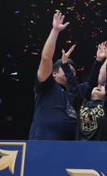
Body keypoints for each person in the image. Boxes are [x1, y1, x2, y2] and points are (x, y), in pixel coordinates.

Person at [30, 12, 81, 141]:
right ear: (54, 73)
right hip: (43, 143)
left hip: (71, 148)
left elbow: (98, 79)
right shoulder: (47, 86)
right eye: (66, 70)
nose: (71, 73)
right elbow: (46, 59)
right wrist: (55, 31)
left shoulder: (77, 93)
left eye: (73, 71)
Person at [77, 41, 107, 142]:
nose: (99, 86)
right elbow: (93, 81)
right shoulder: (81, 102)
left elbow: (106, 82)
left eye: (103, 87)